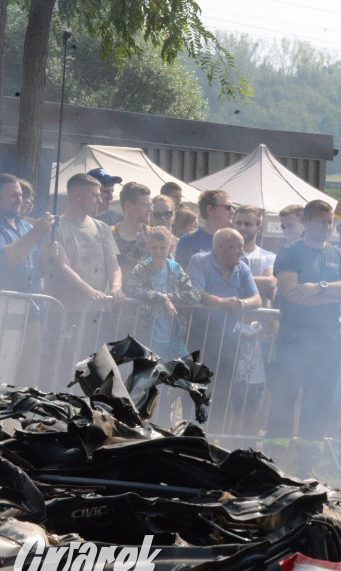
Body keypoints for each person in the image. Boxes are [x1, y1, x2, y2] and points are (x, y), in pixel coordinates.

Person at [269, 199, 341, 447]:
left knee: (320, 401)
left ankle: (309, 459)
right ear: (306, 222)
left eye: (330, 222)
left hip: (328, 342)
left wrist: (319, 288)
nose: (327, 227)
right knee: (284, 397)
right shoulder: (290, 252)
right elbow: (292, 294)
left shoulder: (338, 255)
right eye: (321, 222)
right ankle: (275, 456)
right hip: (293, 339)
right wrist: (333, 296)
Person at [186, 227, 261, 427]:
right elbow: (195, 291)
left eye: (242, 247)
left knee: (223, 391)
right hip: (199, 337)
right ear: (220, 247)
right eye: (236, 247)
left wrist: (242, 304)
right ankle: (189, 436)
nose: (241, 252)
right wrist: (221, 302)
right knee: (195, 391)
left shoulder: (243, 267)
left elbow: (257, 298)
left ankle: (215, 437)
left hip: (228, 341)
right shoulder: (199, 261)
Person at [0, 174, 55, 386]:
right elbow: (4, 261)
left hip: (31, 312)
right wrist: (36, 234)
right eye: (14, 195)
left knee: (28, 373)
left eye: (21, 195)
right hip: (3, 312)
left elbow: (36, 271)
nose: (20, 200)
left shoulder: (24, 227)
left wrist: (46, 259)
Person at [48, 173, 124, 319]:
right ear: (78, 195)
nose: (99, 200)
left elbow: (113, 265)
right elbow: (62, 267)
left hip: (100, 310)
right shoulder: (55, 227)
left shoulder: (103, 228)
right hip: (67, 310)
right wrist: (90, 291)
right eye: (95, 196)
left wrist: (116, 287)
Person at [125, 226, 201, 361]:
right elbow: (132, 289)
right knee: (147, 373)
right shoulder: (141, 268)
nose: (158, 251)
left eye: (162, 247)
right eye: (154, 247)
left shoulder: (176, 269)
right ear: (148, 247)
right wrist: (160, 298)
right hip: (145, 332)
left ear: (170, 248)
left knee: (175, 374)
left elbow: (194, 294)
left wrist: (169, 297)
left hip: (173, 334)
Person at [176, 189, 234, 268]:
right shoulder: (188, 240)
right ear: (210, 210)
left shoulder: (235, 241)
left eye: (233, 207)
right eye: (228, 207)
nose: (232, 211)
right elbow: (180, 275)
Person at [233, 205, 277, 304]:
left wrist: (230, 279)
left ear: (259, 228)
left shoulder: (269, 257)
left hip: (258, 318)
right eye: (238, 223)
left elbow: (270, 283)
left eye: (247, 224)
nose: (242, 228)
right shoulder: (223, 253)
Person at [111, 181, 152, 274]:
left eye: (151, 205)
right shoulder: (109, 234)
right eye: (146, 205)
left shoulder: (153, 235)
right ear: (128, 205)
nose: (151, 209)